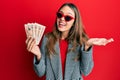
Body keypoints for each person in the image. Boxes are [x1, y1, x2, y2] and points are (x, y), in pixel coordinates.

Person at [26, 3, 114, 80]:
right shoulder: (47, 38)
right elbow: (40, 73)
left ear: (74, 22)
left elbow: (86, 71)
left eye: (67, 17)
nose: (62, 19)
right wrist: (38, 55)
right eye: (60, 15)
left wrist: (87, 47)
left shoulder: (82, 41)